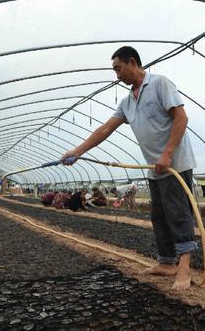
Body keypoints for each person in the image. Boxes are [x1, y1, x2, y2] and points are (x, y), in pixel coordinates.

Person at [61, 46, 197, 290]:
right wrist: (77, 152)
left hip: (175, 164)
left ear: (132, 62)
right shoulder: (127, 102)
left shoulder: (160, 84)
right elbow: (105, 130)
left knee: (178, 215)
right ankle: (167, 263)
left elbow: (181, 118)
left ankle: (185, 269)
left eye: (118, 68)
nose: (116, 75)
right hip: (153, 168)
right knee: (159, 217)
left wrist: (167, 154)